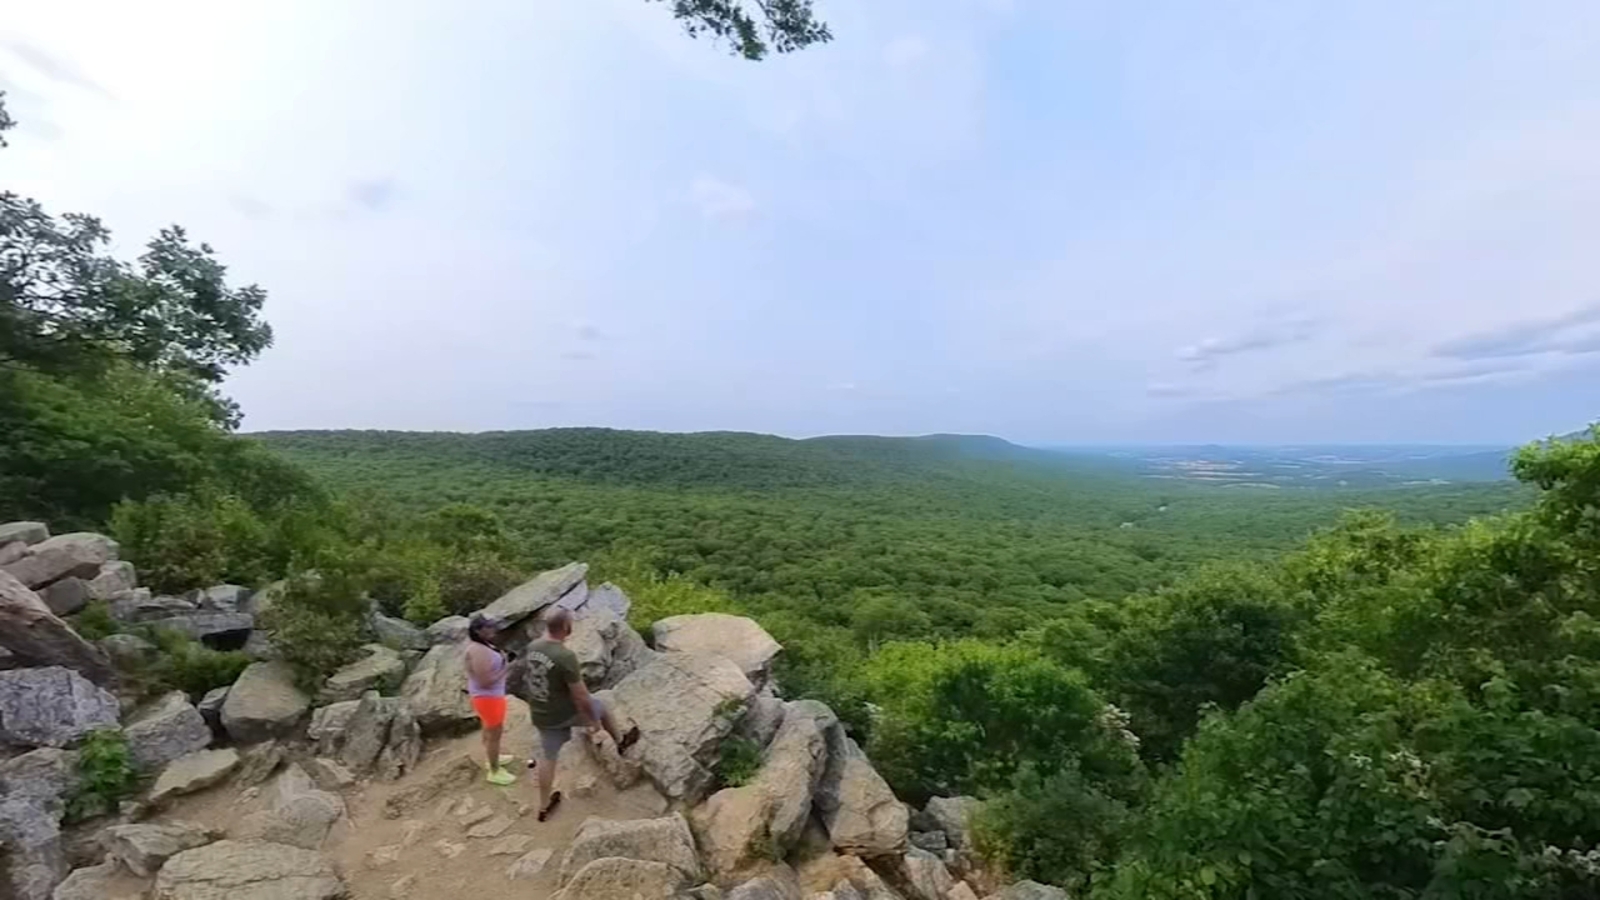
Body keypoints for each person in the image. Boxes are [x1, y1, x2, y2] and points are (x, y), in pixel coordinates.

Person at [512, 607, 639, 821]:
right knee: (602, 704)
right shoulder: (565, 656)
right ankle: (620, 742)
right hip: (563, 713)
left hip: (542, 711)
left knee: (548, 758)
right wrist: (594, 725)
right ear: (565, 627)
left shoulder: (534, 647)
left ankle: (543, 806)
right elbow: (582, 697)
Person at [464, 614, 518, 786]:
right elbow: (485, 681)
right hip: (487, 697)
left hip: (491, 696)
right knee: (494, 733)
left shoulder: (483, 645)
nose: (493, 629)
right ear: (478, 631)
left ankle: (492, 757)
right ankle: (494, 771)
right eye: (488, 628)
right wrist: (506, 668)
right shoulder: (478, 650)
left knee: (492, 729)